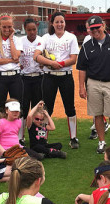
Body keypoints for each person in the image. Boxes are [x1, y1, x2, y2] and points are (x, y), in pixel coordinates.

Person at [77, 15, 110, 154]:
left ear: (103, 25)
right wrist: (81, 87)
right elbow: (82, 68)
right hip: (93, 83)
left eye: (97, 27)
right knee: (97, 114)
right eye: (92, 28)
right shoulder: (87, 46)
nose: (95, 31)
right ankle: (101, 142)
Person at [34, 12, 79, 149]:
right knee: (47, 109)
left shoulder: (71, 37)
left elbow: (73, 59)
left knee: (70, 108)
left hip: (65, 75)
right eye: (57, 22)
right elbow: (36, 56)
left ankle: (73, 138)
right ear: (52, 24)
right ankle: (43, 138)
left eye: (62, 22)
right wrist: (50, 62)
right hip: (49, 76)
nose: (60, 24)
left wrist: (59, 64)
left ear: (65, 23)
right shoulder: (46, 38)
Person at [0, 13, 23, 114]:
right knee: (0, 109)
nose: (7, 29)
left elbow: (15, 56)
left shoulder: (16, 39)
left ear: (13, 26)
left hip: (15, 77)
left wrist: (11, 39)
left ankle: (15, 130)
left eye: (9, 27)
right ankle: (1, 130)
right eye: (4, 27)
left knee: (17, 107)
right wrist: (11, 60)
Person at [20, 18, 44, 143]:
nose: (32, 32)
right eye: (29, 30)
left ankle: (36, 136)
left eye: (34, 29)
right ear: (25, 29)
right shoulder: (20, 41)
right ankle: (21, 136)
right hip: (24, 78)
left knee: (37, 108)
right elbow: (16, 57)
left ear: (37, 27)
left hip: (39, 78)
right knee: (23, 108)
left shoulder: (42, 40)